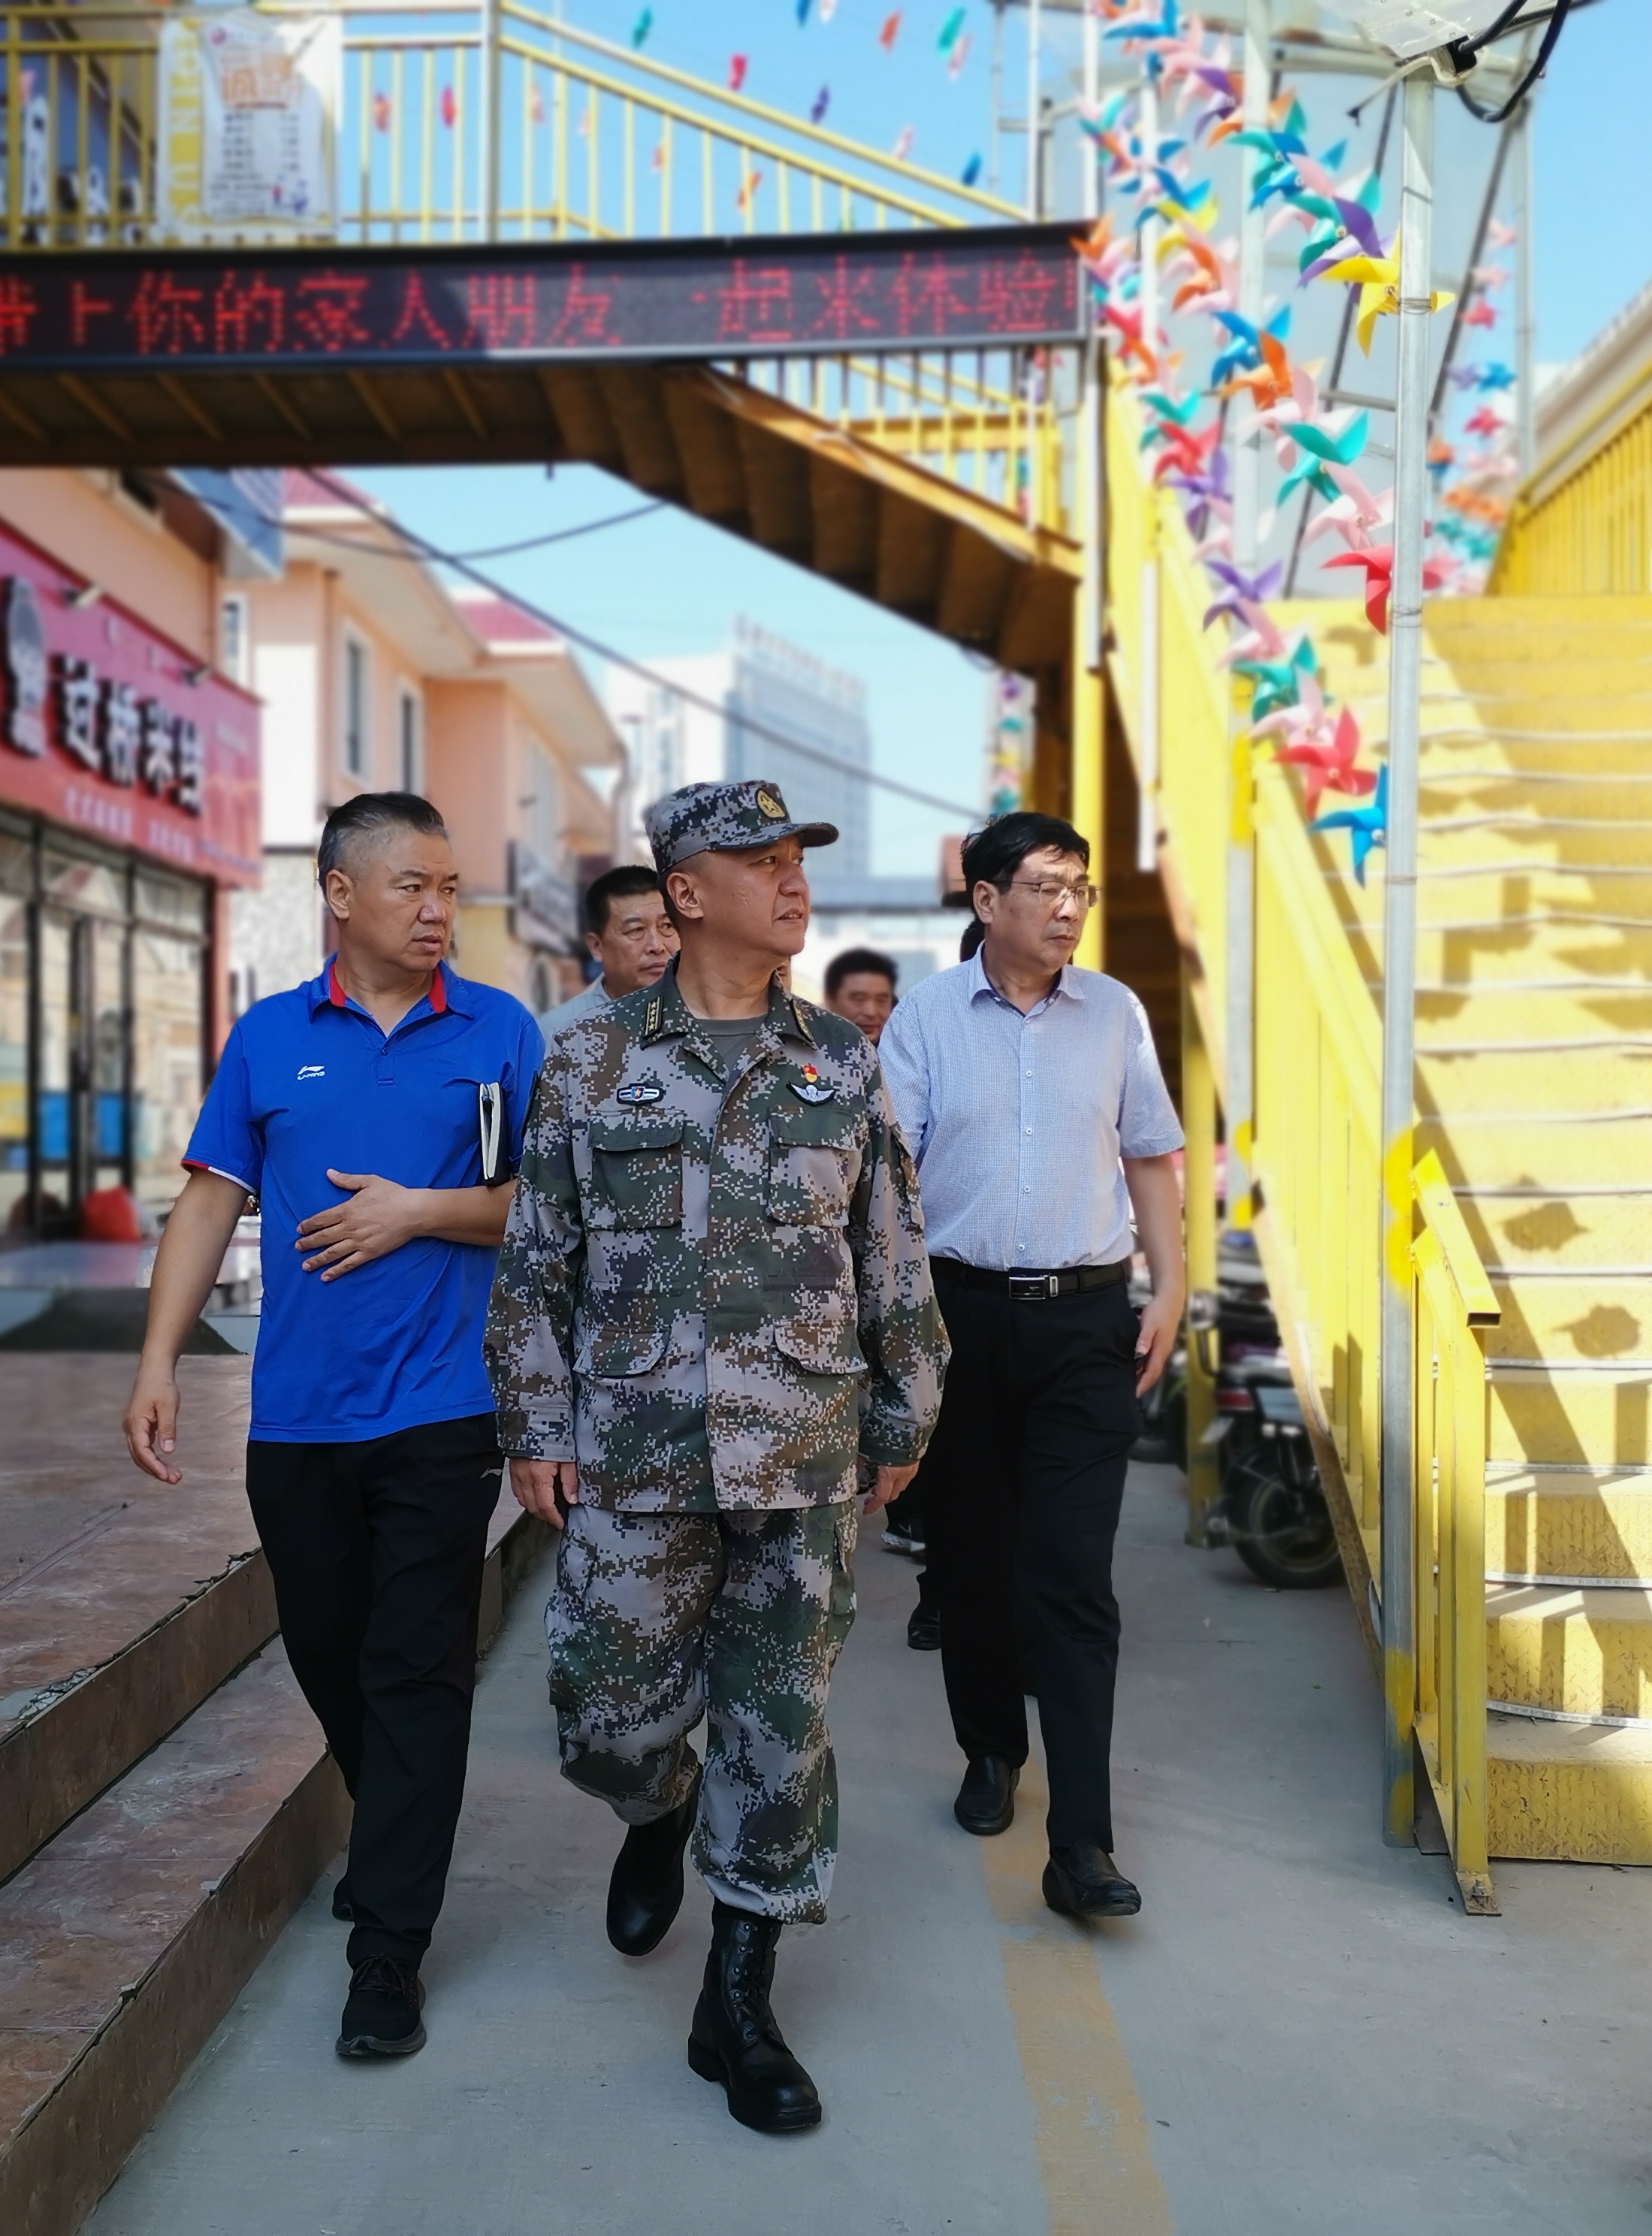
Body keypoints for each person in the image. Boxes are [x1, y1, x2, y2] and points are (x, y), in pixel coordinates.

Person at [490, 781, 946, 2135]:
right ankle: (655, 1806)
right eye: (761, 863)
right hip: (636, 1452)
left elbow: (890, 1251)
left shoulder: (840, 1059)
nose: (793, 882)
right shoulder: (591, 1061)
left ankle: (737, 2006)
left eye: (799, 858)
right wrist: (534, 1424)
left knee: (779, 1727)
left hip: (802, 1453)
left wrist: (905, 1416)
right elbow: (538, 1258)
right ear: (685, 893)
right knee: (607, 1716)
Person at [122, 792, 546, 2063]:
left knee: (416, 1668)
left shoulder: (498, 1030)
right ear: (341, 894)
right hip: (300, 1414)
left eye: (449, 888)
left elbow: (548, 1204)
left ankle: (389, 1953)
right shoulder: (268, 1037)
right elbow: (209, 1203)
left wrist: (419, 1210)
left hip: (443, 1407)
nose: (438, 910)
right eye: (413, 885)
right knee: (328, 1651)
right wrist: (156, 1360)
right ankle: (395, 1823)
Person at [878, 811, 1187, 1924]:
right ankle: (990, 1748)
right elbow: (888, 1181)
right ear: (986, 899)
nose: (1068, 909)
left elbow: (1150, 1153)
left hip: (1085, 1326)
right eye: (1047, 887)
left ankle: (1082, 1843)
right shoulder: (924, 1018)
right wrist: (889, 1332)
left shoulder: (1114, 1014)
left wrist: (1172, 1287)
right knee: (972, 1561)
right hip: (955, 1320)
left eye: (1080, 889)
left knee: (1071, 1577)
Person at [823, 946, 938, 1642]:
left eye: (881, 1000)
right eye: (857, 998)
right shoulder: (821, 1062)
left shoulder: (872, 1069)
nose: (871, 1012)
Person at [540, 863, 679, 1044]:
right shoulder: (557, 1033)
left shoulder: (706, 1017)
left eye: (667, 926)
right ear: (597, 947)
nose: (657, 946)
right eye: (636, 930)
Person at [820, 946, 898, 1044]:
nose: (871, 1013)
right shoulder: (807, 1048)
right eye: (859, 1000)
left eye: (881, 1001)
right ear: (830, 1000)